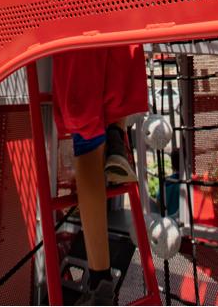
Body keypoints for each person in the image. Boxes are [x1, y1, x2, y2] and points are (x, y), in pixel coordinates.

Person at [53, 45, 147, 305]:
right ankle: (117, 136)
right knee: (113, 89)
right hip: (118, 31)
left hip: (79, 32)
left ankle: (100, 281)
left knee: (87, 146)